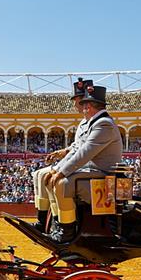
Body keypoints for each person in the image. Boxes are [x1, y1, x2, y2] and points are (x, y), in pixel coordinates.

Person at [42, 83, 124, 242]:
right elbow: (78, 151)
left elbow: (84, 153)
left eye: (85, 104)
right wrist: (56, 170)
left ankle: (67, 232)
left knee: (62, 183)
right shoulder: (94, 122)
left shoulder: (104, 124)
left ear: (90, 106)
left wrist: (59, 172)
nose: (82, 107)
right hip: (92, 173)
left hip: (103, 178)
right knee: (50, 178)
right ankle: (58, 224)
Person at [31, 77, 92, 231]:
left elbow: (83, 152)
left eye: (77, 100)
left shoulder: (99, 123)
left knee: (53, 179)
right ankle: (43, 220)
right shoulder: (84, 123)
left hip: (88, 166)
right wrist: (62, 152)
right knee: (38, 174)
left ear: (86, 102)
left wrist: (58, 170)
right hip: (81, 164)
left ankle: (63, 226)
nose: (75, 104)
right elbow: (77, 146)